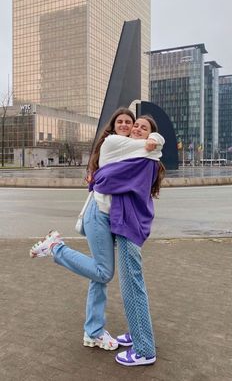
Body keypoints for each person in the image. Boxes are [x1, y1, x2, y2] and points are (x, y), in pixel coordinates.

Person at [29, 109, 165, 362]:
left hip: (116, 220)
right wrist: (153, 140)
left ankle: (94, 332)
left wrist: (157, 137)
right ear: (113, 126)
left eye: (135, 124)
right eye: (122, 122)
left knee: (99, 274)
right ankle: (57, 247)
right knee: (103, 272)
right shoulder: (115, 143)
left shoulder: (140, 150)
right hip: (100, 215)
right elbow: (103, 180)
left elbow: (151, 147)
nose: (131, 126)